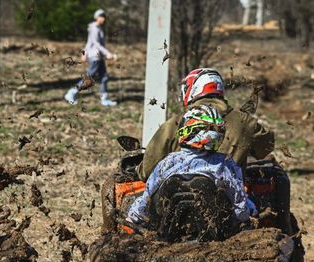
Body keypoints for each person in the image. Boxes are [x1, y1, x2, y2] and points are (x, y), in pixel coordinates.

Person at [127, 105, 256, 228]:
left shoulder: (167, 163)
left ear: (187, 130)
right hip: (216, 232)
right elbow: (239, 203)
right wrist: (246, 217)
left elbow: (146, 198)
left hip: (167, 231)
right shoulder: (225, 164)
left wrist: (134, 217)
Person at [138, 68, 274, 180]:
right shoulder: (246, 122)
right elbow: (266, 148)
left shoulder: (174, 123)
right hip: (227, 198)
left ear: (192, 89)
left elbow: (148, 170)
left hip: (176, 200)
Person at [64, 9, 119, 107]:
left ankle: (105, 99)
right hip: (95, 56)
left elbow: (89, 42)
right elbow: (96, 44)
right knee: (90, 77)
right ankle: (72, 93)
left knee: (104, 77)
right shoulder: (94, 28)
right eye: (101, 16)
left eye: (104, 16)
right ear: (96, 17)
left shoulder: (98, 28)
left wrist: (84, 53)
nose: (103, 18)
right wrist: (108, 53)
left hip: (99, 56)